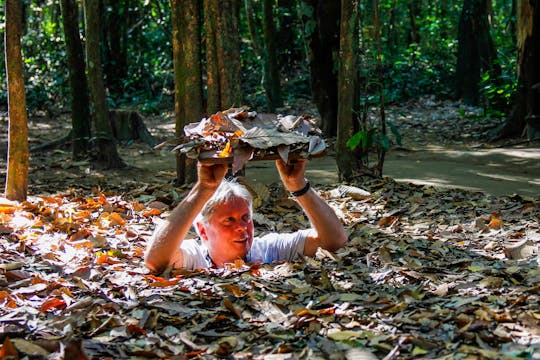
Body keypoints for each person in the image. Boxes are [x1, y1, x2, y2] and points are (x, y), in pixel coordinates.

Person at [144, 159, 347, 272]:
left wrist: (298, 186)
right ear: (204, 232)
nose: (241, 227)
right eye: (228, 220)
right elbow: (156, 260)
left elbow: (334, 240)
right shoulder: (194, 257)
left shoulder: (268, 249)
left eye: (245, 218)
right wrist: (204, 188)